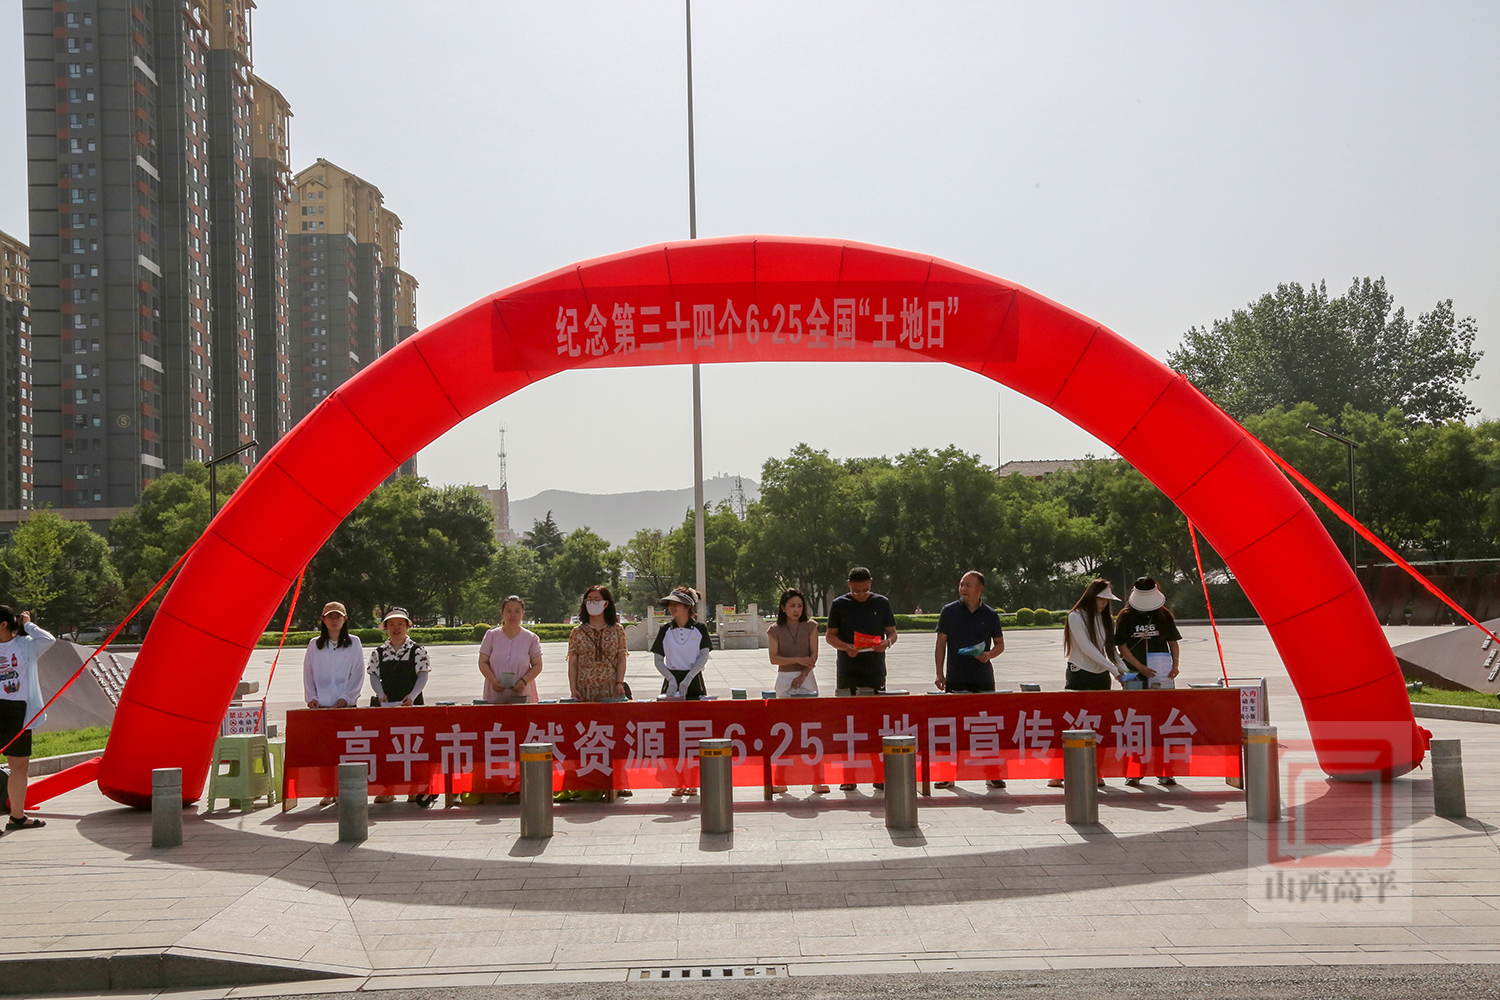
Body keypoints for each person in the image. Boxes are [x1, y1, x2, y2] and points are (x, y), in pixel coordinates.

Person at [825, 567, 898, 791]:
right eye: (856, 591)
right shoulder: (839, 604)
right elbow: (830, 636)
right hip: (848, 667)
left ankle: (878, 774)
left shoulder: (881, 603)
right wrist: (845, 646)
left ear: (871, 583)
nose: (861, 595)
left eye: (865, 590)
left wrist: (887, 643)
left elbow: (892, 633)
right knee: (848, 723)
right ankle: (849, 775)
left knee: (875, 722)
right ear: (849, 585)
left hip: (874, 667)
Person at [933, 571, 1007, 790]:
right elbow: (940, 644)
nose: (963, 588)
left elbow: (1000, 644)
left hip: (982, 678)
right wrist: (939, 673)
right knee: (953, 728)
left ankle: (992, 773)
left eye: (968, 585)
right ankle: (948, 774)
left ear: (980, 589)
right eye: (961, 584)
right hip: (956, 677)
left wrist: (988, 655)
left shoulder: (990, 614)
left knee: (986, 727)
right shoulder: (949, 611)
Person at [1050, 579, 1122, 788]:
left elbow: (1111, 651)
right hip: (1080, 674)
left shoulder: (1107, 620)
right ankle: (1059, 773)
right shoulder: (1075, 617)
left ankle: (1096, 772)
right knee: (1073, 724)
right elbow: (1086, 647)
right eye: (1100, 599)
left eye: (1106, 600)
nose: (1103, 604)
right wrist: (1113, 668)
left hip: (1101, 675)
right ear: (1091, 596)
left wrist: (1124, 671)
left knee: (1100, 725)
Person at [1113, 577, 1182, 787]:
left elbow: (1173, 642)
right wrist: (1138, 667)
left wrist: (1175, 665)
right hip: (1134, 676)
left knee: (1163, 722)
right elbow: (1121, 646)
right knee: (1133, 723)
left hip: (1161, 675)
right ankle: (1134, 771)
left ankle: (1165, 771)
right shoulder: (1125, 616)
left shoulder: (1163, 614)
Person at [368, 607, 435, 805]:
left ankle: (414, 788)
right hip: (387, 706)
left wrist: (412, 696)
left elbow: (423, 675)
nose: (396, 628)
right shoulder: (378, 652)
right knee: (386, 747)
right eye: (391, 624)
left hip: (411, 705)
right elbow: (373, 675)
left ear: (407, 626)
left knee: (413, 747)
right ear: (385, 627)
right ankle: (387, 789)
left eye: (400, 624)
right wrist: (380, 694)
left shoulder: (418, 650)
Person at [767, 588, 828, 794]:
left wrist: (803, 673)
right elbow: (774, 658)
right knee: (785, 729)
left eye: (800, 606)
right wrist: (797, 660)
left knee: (812, 730)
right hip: (785, 680)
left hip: (807, 679)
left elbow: (813, 655)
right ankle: (780, 778)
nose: (796, 610)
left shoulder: (811, 626)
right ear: (783, 608)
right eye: (792, 606)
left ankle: (818, 779)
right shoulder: (774, 630)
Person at [651, 587, 711, 797]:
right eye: (670, 604)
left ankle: (693, 780)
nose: (672, 608)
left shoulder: (700, 629)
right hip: (671, 683)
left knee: (694, 733)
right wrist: (670, 679)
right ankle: (677, 780)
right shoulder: (665, 630)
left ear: (688, 606)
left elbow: (703, 655)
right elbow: (658, 659)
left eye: (676, 604)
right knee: (673, 733)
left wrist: (689, 677)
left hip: (693, 682)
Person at [0, 606, 53, 832]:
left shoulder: (25, 645)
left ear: (3, 624)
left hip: (18, 711)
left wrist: (27, 624)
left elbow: (48, 639)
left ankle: (17, 817)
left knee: (19, 767)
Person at [567, 585, 627, 702]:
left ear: (606, 603)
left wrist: (620, 682)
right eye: (589, 600)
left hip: (611, 689)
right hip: (584, 689)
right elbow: (573, 662)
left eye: (596, 599)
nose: (592, 603)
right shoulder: (577, 632)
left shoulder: (617, 630)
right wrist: (573, 688)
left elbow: (621, 658)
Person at [478, 596, 542, 705]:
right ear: (502, 613)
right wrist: (493, 681)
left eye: (517, 611)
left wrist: (524, 681)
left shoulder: (531, 638)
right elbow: (482, 662)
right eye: (508, 611)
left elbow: (538, 665)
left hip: (522, 695)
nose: (513, 615)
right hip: (495, 694)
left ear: (522, 614)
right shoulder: (491, 636)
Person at [303, 602, 364, 709]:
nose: (334, 620)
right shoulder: (314, 644)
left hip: (346, 706)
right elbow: (308, 673)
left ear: (344, 619)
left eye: (338, 617)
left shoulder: (354, 643)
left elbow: (358, 674)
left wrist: (346, 697)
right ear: (323, 619)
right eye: (330, 617)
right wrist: (311, 697)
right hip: (320, 705)